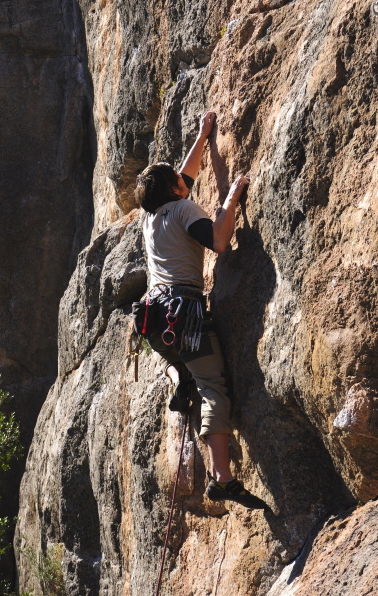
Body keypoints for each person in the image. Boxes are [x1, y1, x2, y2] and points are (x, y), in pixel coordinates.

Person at [134, 111, 266, 510]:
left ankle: (179, 376)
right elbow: (220, 241)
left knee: (186, 368)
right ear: (175, 189)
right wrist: (231, 198)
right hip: (184, 316)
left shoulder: (153, 218)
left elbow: (182, 177)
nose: (184, 179)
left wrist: (203, 135)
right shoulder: (185, 211)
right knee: (214, 388)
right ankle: (222, 478)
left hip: (155, 319)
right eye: (179, 179)